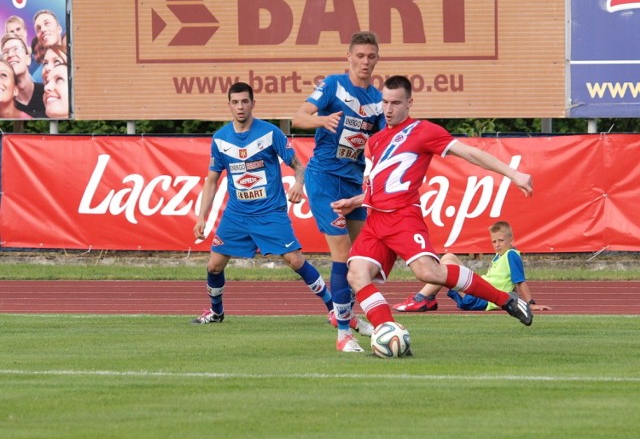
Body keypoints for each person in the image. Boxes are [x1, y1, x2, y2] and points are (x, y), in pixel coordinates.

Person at [331, 75, 535, 343]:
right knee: (356, 273)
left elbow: (470, 153)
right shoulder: (377, 141)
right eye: (384, 102)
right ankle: (389, 334)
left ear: (409, 103)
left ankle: (505, 301)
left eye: (395, 103)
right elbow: (382, 184)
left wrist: (512, 174)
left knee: (429, 273)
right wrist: (354, 202)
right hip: (375, 220)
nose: (388, 109)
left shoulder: (424, 131)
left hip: (404, 217)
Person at [191, 82, 334, 325]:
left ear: (253, 104)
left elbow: (298, 166)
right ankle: (216, 313)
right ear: (229, 106)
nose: (240, 106)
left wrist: (299, 184)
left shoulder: (270, 133)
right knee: (214, 266)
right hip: (237, 214)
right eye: (235, 102)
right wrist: (202, 216)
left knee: (295, 260)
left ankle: (335, 308)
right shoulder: (220, 139)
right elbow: (212, 181)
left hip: (269, 212)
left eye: (245, 101)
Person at [292, 31, 385, 352]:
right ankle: (344, 333)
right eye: (359, 55)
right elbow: (298, 117)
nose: (365, 61)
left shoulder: (376, 101)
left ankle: (346, 315)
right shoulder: (332, 85)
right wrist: (321, 120)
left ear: (377, 60)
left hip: (353, 183)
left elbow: (384, 144)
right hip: (324, 180)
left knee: (362, 259)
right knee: (343, 255)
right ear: (349, 57)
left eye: (371, 56)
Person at [393, 221, 552, 312]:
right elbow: (508, 284)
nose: (497, 245)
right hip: (477, 293)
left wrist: (530, 304)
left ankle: (420, 298)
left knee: (447, 264)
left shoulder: (511, 255)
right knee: (449, 257)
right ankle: (429, 298)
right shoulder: (500, 256)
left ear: (511, 240)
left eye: (501, 241)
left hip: (480, 298)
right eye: (494, 241)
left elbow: (519, 281)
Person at [1, 33, 46, 118]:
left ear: (28, 59)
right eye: (5, 53)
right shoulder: (4, 104)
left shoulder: (47, 93)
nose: (10, 55)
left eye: (16, 49)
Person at [32, 10, 65, 83]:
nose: (43, 30)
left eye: (47, 23)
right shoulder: (38, 77)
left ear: (59, 29)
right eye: (38, 28)